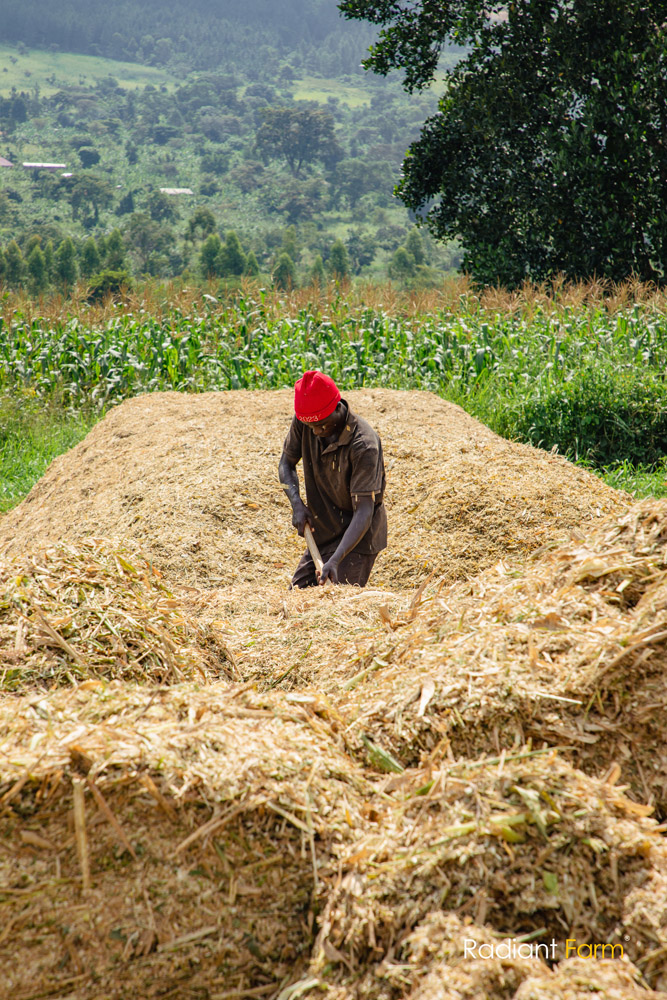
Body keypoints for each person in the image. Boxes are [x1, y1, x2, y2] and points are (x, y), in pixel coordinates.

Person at [279, 370, 387, 588]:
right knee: (295, 596)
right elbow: (286, 464)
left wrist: (336, 560)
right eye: (311, 426)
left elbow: (364, 510)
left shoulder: (363, 445)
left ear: (338, 408)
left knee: (334, 599)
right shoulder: (306, 420)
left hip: (357, 538)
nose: (316, 432)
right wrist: (297, 504)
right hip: (324, 533)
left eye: (322, 425)